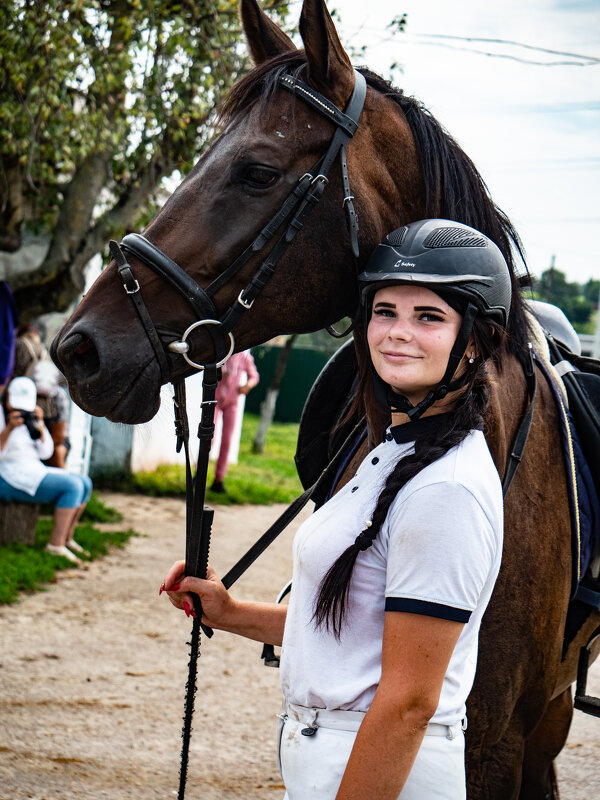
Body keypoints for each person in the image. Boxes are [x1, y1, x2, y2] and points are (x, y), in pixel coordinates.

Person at [161, 219, 510, 799]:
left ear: (473, 340)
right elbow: (353, 629)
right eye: (385, 311)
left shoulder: (446, 490)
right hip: (332, 753)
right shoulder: (393, 451)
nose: (397, 333)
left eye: (429, 316)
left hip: (379, 766)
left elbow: (408, 703)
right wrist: (228, 612)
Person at [0, 376, 92, 565]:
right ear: (7, 397)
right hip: (8, 475)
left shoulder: (30, 417)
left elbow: (46, 452)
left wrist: (40, 425)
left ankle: (66, 537)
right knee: (72, 486)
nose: (18, 410)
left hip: (33, 469)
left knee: (85, 483)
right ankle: (55, 545)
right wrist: (9, 428)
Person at [209, 350, 259, 493]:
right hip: (215, 400)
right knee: (209, 438)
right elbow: (207, 368)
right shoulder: (220, 352)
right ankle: (200, 474)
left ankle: (219, 479)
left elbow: (254, 376)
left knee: (227, 441)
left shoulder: (244, 356)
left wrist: (247, 385)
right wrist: (219, 373)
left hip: (232, 402)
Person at [32, 360, 71, 469]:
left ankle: (63, 482)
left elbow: (58, 437)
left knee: (57, 454)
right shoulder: (28, 391)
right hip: (31, 436)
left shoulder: (59, 397)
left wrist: (41, 446)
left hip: (54, 439)